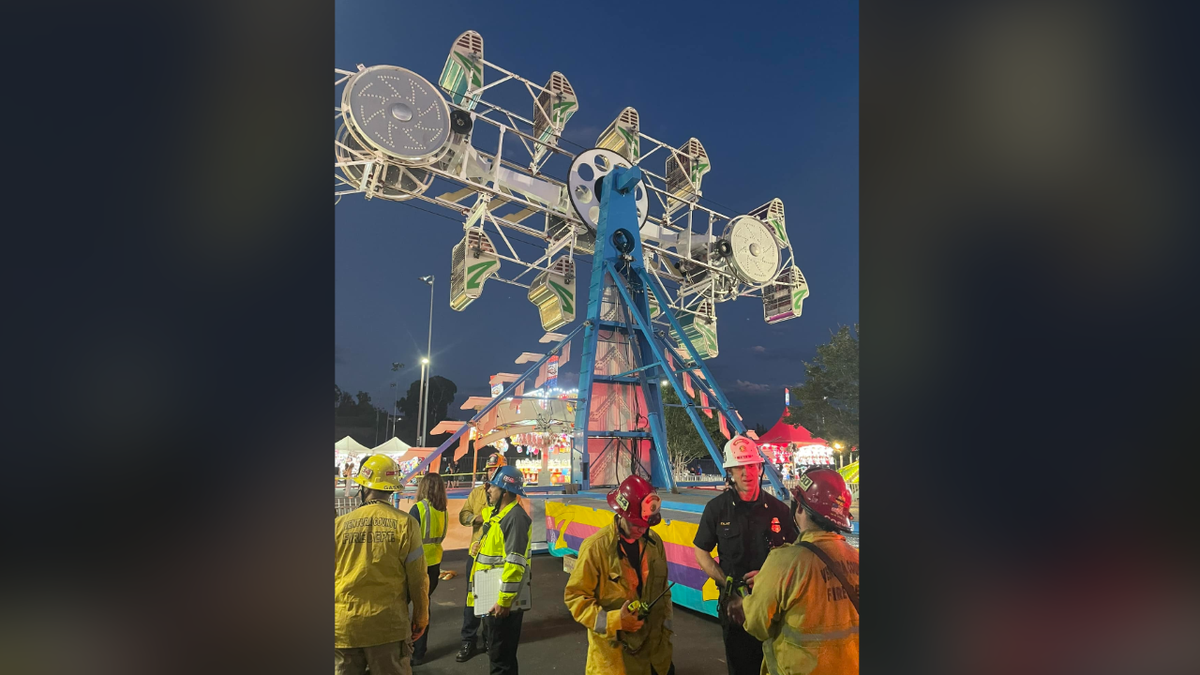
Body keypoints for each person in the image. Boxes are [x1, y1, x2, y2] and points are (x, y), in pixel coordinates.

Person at [693, 435, 798, 675]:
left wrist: (768, 576)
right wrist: (724, 580)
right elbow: (701, 551)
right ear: (729, 471)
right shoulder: (716, 509)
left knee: (777, 667)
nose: (746, 472)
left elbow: (796, 557)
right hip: (735, 609)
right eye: (739, 466)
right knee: (741, 668)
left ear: (760, 468)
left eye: (751, 465)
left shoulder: (779, 510)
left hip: (775, 609)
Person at [740, 467, 859, 674]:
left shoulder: (784, 561)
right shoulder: (857, 558)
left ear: (800, 508)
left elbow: (756, 625)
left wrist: (756, 592)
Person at [564, 474, 675, 675]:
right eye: (635, 524)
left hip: (656, 658)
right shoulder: (595, 548)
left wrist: (665, 630)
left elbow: (664, 591)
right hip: (615, 663)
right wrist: (615, 621)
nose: (641, 529)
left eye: (646, 524)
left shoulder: (654, 542)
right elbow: (575, 598)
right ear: (621, 514)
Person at [335, 454, 429, 675]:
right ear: (391, 489)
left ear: (363, 487)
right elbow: (418, 578)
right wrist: (421, 616)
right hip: (388, 627)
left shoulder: (338, 525)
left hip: (344, 626)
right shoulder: (406, 524)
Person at [467, 465, 532, 675]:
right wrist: (476, 548)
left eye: (493, 487)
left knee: (501, 660)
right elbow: (496, 551)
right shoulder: (500, 516)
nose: (489, 491)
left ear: (505, 491)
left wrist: (505, 601)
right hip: (491, 596)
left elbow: (514, 563)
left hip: (501, 602)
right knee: (498, 655)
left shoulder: (514, 518)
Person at [455, 451, 506, 662]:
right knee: (471, 601)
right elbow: (463, 515)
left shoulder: (508, 494)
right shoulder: (477, 494)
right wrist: (476, 518)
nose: (491, 473)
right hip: (475, 556)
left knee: (493, 601)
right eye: (489, 470)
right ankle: (468, 640)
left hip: (496, 558)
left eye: (495, 469)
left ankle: (489, 640)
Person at [408, 473, 448, 666]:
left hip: (417, 564)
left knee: (403, 607)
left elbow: (407, 538)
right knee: (424, 607)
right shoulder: (443, 510)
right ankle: (419, 653)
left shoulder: (419, 508)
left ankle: (403, 649)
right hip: (435, 564)